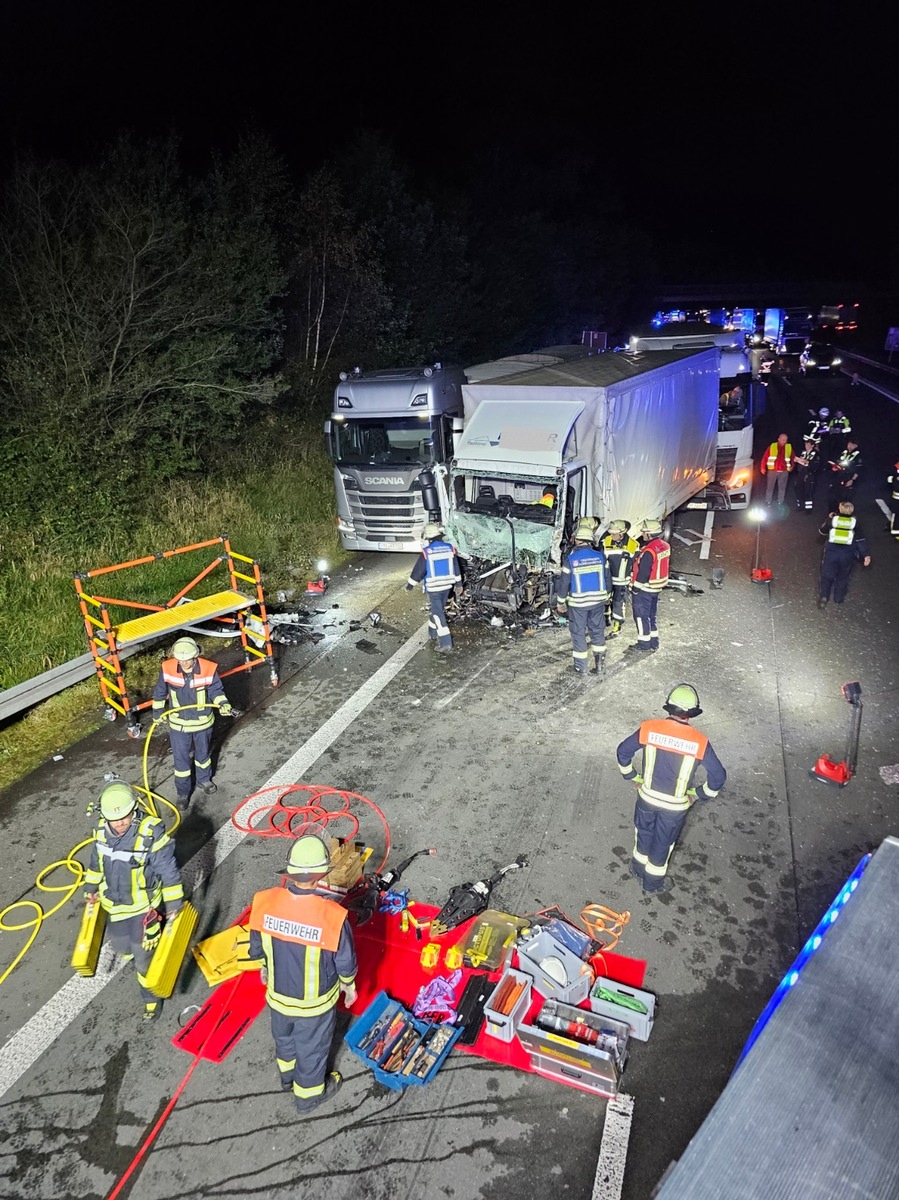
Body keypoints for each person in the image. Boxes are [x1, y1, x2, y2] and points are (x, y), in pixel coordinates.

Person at [249, 836, 357, 1113]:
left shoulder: (264, 902)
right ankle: (308, 1096)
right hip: (314, 1006)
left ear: (290, 871)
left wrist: (264, 967)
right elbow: (345, 961)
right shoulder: (332, 915)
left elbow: (256, 947)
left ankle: (287, 1079)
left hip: (277, 997)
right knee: (312, 1048)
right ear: (322, 874)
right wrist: (349, 986)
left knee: (284, 1040)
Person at [83, 781, 185, 1021]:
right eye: (114, 819)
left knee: (142, 960)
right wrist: (91, 886)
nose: (120, 823)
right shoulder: (100, 832)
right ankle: (143, 955)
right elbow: (96, 863)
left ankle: (151, 997)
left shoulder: (151, 832)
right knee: (122, 948)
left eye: (125, 817)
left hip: (144, 909)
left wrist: (173, 905)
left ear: (134, 810)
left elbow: (168, 871)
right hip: (115, 907)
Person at [616, 685, 726, 894]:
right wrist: (698, 795)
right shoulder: (700, 742)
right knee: (663, 843)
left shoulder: (649, 729)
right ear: (692, 712)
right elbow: (718, 777)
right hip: (674, 808)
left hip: (646, 799)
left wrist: (632, 776)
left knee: (644, 833)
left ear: (669, 707)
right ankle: (652, 884)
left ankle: (637, 869)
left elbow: (623, 751)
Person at [151, 637, 239, 808]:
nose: (184, 663)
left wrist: (223, 703)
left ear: (195, 655)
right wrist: (157, 713)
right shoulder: (167, 668)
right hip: (179, 724)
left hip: (203, 723)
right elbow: (160, 692)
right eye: (181, 659)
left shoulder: (208, 668)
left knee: (203, 755)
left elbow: (216, 690)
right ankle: (183, 793)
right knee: (181, 760)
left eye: (188, 659)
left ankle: (204, 780)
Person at [556, 517, 611, 677]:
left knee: (578, 633)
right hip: (598, 603)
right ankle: (599, 666)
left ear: (577, 540)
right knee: (597, 631)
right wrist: (606, 596)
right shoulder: (600, 557)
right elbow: (607, 579)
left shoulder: (571, 560)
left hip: (578, 605)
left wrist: (560, 603)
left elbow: (564, 584)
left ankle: (581, 668)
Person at [406, 523, 462, 652]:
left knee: (438, 613)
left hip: (434, 588)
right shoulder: (450, 548)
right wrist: (458, 584)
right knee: (437, 609)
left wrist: (410, 585)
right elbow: (456, 567)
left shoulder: (427, 552)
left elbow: (418, 571)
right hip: (447, 586)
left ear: (428, 538)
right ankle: (432, 632)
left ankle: (446, 643)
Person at [626, 518, 670, 654]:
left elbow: (644, 572)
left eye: (644, 532)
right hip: (657, 587)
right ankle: (654, 642)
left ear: (649, 534)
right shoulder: (664, 545)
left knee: (641, 616)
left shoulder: (648, 551)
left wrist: (635, 588)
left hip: (645, 589)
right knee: (652, 615)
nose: (642, 534)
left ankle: (644, 644)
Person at [817, 501, 871, 609]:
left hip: (831, 553)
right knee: (843, 576)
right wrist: (866, 555)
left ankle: (824, 597)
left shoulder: (833, 520)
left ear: (840, 510)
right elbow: (861, 539)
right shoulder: (855, 523)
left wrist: (829, 519)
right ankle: (838, 598)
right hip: (847, 554)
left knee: (827, 575)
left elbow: (822, 531)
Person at [602, 519, 639, 635]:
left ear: (622, 534)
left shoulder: (633, 545)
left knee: (618, 603)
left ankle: (617, 626)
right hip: (607, 579)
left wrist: (633, 581)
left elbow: (636, 565)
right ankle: (605, 619)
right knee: (604, 600)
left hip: (622, 582)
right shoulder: (606, 541)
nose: (611, 535)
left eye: (614, 534)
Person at [827, 440, 862, 510]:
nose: (850, 446)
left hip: (848, 478)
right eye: (849, 444)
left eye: (852, 445)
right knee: (833, 496)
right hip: (838, 477)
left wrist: (852, 480)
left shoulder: (858, 456)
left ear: (856, 446)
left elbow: (859, 470)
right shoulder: (844, 452)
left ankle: (844, 515)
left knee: (845, 500)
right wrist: (834, 468)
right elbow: (839, 462)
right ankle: (832, 514)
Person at [760, 433, 793, 506]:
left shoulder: (788, 447)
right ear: (779, 439)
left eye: (786, 440)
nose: (784, 441)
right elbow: (765, 457)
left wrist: (792, 467)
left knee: (782, 488)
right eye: (783, 439)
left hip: (784, 471)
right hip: (772, 470)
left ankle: (780, 501)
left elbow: (793, 457)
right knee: (770, 487)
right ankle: (768, 501)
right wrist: (762, 467)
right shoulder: (772, 446)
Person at [793, 438, 821, 510]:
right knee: (798, 489)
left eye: (808, 444)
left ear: (812, 445)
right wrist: (797, 460)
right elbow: (801, 460)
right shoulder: (803, 452)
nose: (807, 446)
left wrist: (806, 462)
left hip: (809, 474)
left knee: (807, 491)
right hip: (801, 473)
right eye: (806, 444)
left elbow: (814, 464)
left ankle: (808, 509)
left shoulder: (816, 454)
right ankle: (800, 506)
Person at [887, 460, 899, 541]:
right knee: (897, 515)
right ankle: (895, 533)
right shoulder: (896, 467)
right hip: (897, 498)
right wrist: (896, 478)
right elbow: (890, 479)